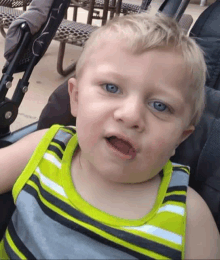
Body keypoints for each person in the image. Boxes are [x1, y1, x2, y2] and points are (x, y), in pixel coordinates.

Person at [0, 12, 219, 259]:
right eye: (112, 88)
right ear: (76, 97)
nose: (131, 116)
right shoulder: (44, 150)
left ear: (181, 137)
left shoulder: (189, 216)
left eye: (160, 106)